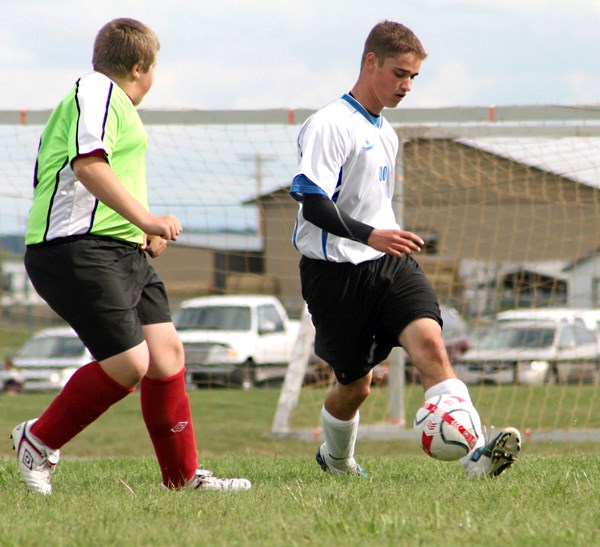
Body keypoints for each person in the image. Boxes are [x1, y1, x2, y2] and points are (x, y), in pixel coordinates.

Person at [11, 18, 251, 495]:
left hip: (118, 249)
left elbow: (106, 179)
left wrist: (140, 232)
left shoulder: (114, 105)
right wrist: (147, 219)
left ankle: (182, 480)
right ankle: (36, 442)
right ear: (139, 66)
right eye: (155, 68)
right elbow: (88, 166)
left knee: (167, 357)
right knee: (128, 364)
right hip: (72, 250)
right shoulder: (96, 91)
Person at [289, 20, 521, 478]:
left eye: (414, 77)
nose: (407, 85)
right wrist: (370, 234)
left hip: (389, 265)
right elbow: (311, 201)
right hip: (335, 276)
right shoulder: (330, 124)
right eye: (400, 73)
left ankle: (476, 453)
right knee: (355, 387)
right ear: (370, 62)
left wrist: (382, 240)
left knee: (432, 345)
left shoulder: (388, 133)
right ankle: (335, 460)